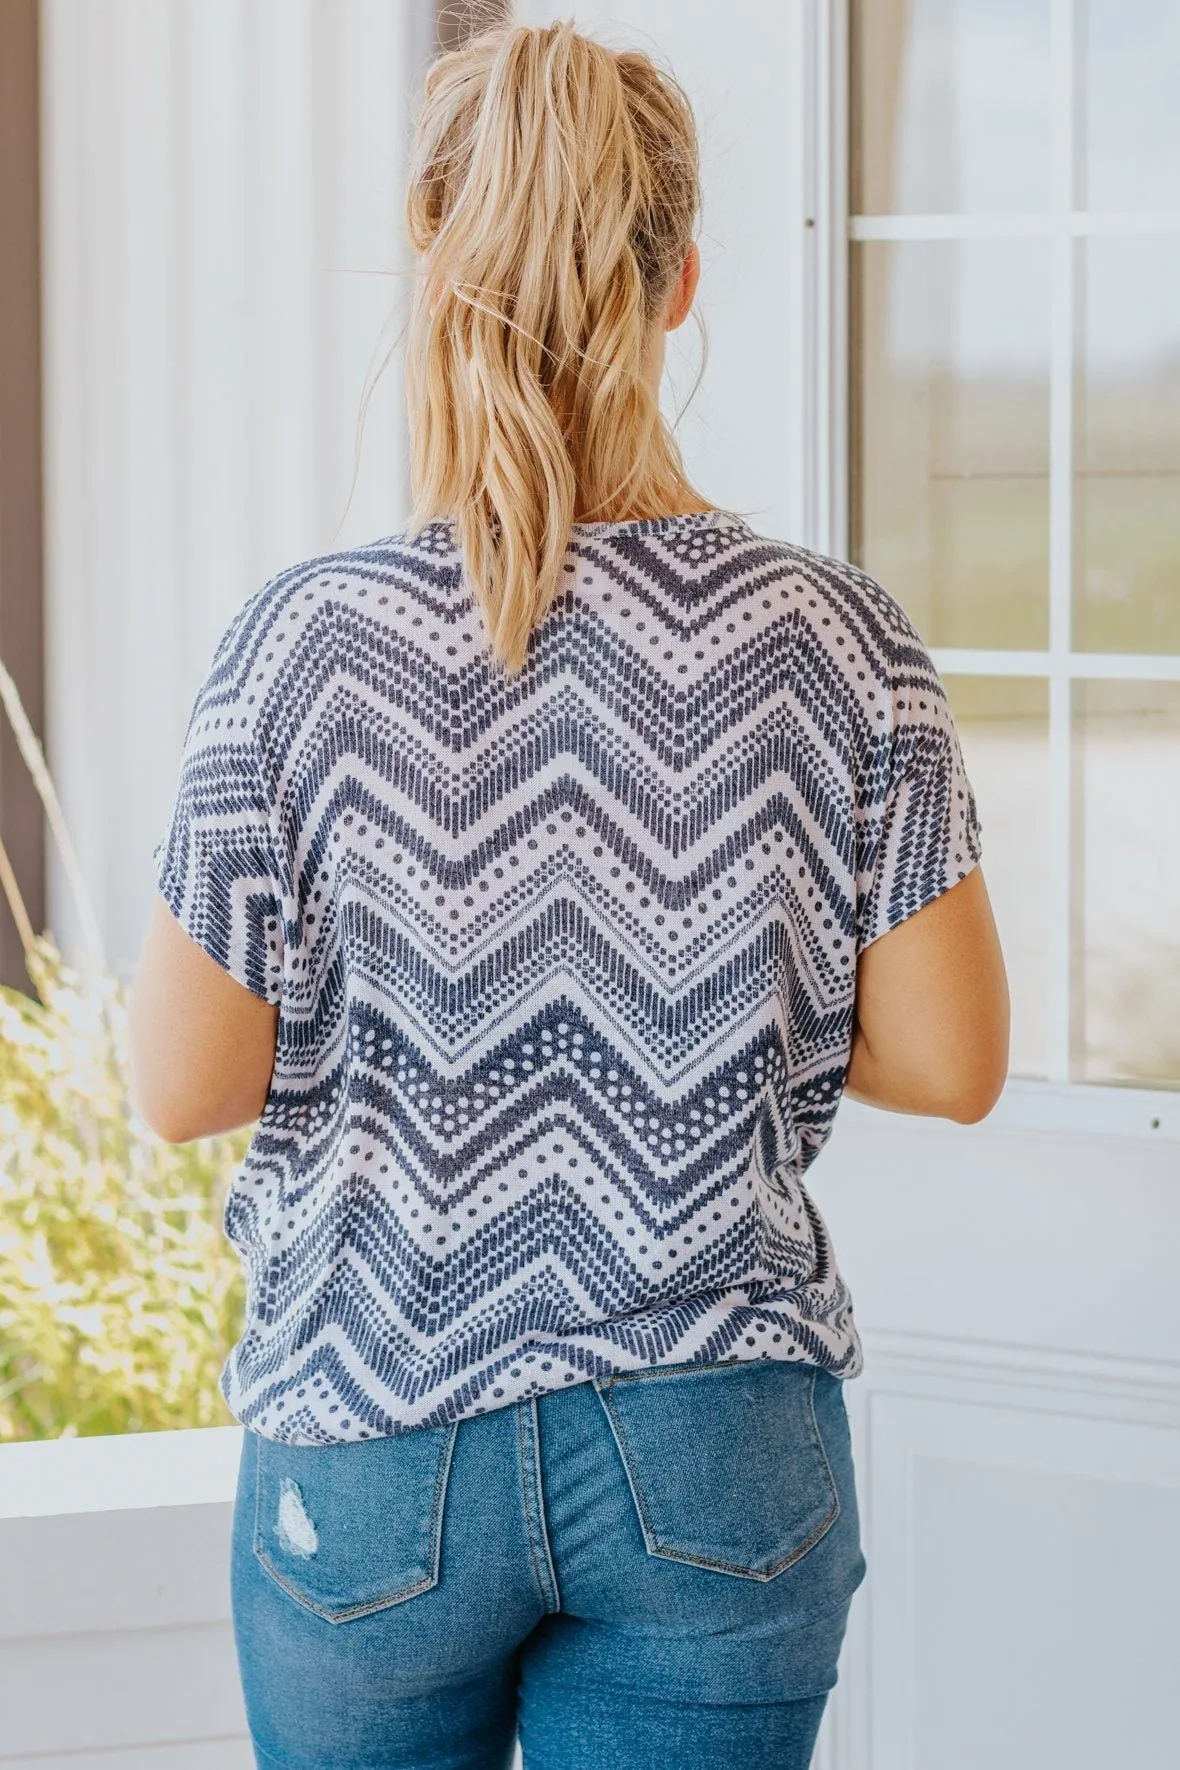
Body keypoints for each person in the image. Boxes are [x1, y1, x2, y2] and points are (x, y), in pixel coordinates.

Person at [129, 20, 1009, 1770]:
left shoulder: (302, 651)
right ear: (680, 284)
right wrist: (686, 1013)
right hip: (717, 1445)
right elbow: (956, 1060)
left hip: (372, 1443)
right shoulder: (836, 638)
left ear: (432, 259)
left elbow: (184, 1086)